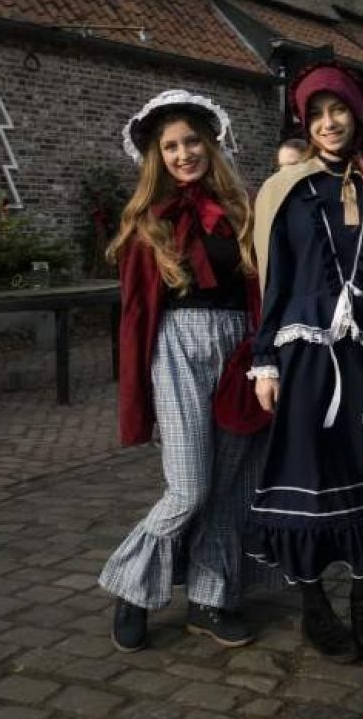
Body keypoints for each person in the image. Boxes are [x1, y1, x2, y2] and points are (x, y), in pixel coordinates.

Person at [100, 90, 267, 653]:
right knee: (190, 485)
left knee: (230, 486)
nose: (183, 153)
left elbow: (266, 290)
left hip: (240, 349)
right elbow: (135, 315)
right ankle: (132, 584)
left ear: (210, 143)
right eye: (170, 146)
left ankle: (210, 597)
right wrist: (136, 389)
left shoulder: (243, 208)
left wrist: (268, 356)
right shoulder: (147, 222)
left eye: (191, 140)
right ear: (156, 156)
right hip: (176, 351)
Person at [247, 61, 363, 663]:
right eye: (316, 115)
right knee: (310, 478)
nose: (329, 123)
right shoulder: (284, 190)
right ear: (304, 123)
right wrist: (265, 361)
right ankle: (313, 603)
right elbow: (273, 280)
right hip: (307, 353)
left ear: (356, 113)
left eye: (338, 111)